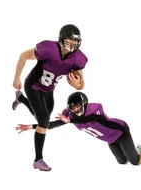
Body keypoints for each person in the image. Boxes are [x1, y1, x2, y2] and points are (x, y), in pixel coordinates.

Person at [16, 92, 141, 167]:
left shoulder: (94, 109)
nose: (75, 109)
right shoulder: (69, 115)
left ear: (84, 103)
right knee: (122, 161)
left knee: (135, 162)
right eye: (73, 107)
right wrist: (31, 126)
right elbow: (51, 125)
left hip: (120, 132)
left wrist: (71, 120)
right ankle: (138, 151)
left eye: (78, 105)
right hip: (110, 140)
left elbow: (91, 119)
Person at [11, 24, 87, 171]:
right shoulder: (47, 49)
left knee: (43, 122)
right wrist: (17, 78)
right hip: (33, 85)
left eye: (76, 41)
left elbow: (81, 82)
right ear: (62, 39)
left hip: (49, 90)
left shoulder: (78, 58)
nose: (73, 44)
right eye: (70, 40)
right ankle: (38, 160)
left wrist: (79, 86)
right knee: (44, 121)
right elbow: (23, 56)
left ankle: (21, 99)